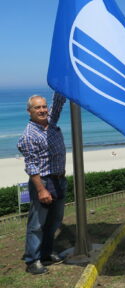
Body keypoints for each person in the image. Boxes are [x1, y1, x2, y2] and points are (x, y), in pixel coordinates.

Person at [18, 92, 67, 275]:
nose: (42, 110)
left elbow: (59, 102)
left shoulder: (50, 123)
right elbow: (31, 167)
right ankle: (33, 260)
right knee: (37, 224)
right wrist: (41, 190)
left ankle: (46, 253)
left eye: (44, 106)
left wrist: (63, 80)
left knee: (54, 220)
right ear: (29, 111)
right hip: (44, 182)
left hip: (59, 179)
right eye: (37, 107)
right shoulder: (30, 135)